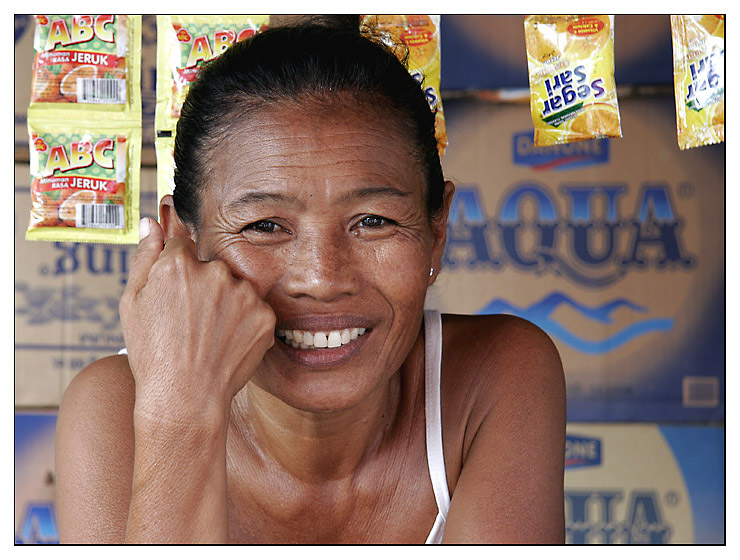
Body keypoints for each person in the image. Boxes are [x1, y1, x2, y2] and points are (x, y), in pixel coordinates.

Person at [54, 19, 566, 544]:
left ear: (437, 231)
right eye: (265, 227)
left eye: (373, 221)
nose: (322, 279)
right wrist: (180, 414)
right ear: (181, 243)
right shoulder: (117, 406)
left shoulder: (494, 376)